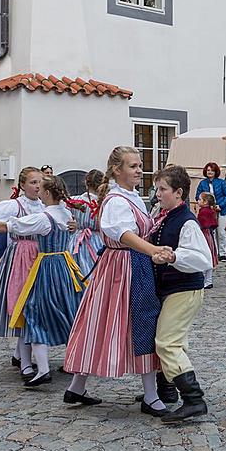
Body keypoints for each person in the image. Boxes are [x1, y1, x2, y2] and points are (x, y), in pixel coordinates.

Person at [63, 147, 167, 413]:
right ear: (117, 170)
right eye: (133, 166)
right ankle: (150, 396)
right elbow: (123, 234)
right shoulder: (116, 200)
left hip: (131, 264)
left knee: (103, 323)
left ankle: (76, 388)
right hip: (123, 267)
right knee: (137, 323)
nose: (139, 169)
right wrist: (152, 250)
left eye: (139, 165)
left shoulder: (129, 196)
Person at [0, 176, 84, 387]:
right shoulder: (65, 212)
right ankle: (68, 361)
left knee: (34, 312)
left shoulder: (44, 217)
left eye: (41, 187)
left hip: (46, 266)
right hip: (65, 264)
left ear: (46, 193)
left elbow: (8, 227)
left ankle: (43, 368)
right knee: (69, 309)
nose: (38, 190)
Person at [148, 165, 214, 422]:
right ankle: (167, 390)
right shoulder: (167, 215)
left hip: (184, 289)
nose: (158, 194)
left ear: (179, 193)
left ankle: (193, 399)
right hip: (172, 288)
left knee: (167, 342)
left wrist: (175, 256)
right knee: (171, 339)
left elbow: (202, 258)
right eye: (157, 189)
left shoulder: (186, 221)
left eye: (162, 189)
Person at [0, 167, 45, 379]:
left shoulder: (45, 206)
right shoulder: (16, 205)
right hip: (21, 257)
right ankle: (26, 362)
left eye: (40, 182)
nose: (37, 186)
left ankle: (21, 355)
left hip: (41, 258)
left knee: (35, 309)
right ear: (23, 185)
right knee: (22, 307)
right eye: (33, 182)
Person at [68, 169, 105, 277]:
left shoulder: (75, 200)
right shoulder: (104, 202)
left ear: (86, 183)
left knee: (78, 271)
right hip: (98, 240)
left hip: (77, 240)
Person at [196, 162, 226, 262]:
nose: (210, 172)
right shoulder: (202, 183)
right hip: (208, 211)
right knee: (211, 232)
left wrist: (221, 205)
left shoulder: (221, 182)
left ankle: (223, 253)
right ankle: (213, 252)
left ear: (216, 172)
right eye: (208, 170)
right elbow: (198, 196)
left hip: (221, 210)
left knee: (221, 232)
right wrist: (207, 205)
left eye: (212, 170)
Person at [196, 192, 219, 290]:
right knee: (208, 255)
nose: (198, 201)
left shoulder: (204, 212)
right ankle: (207, 279)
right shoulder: (209, 210)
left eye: (200, 199)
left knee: (205, 255)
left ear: (205, 202)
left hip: (205, 234)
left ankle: (207, 280)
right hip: (208, 234)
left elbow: (203, 224)